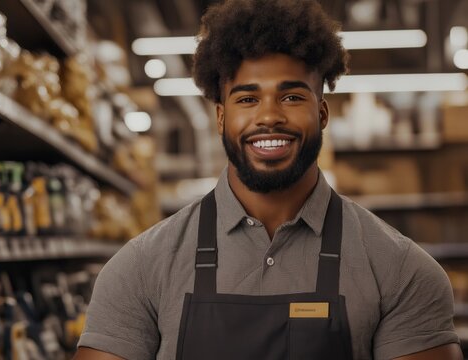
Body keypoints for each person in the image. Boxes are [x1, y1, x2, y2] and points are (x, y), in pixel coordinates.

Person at [73, 0, 463, 359]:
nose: (269, 116)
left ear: (322, 113)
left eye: (292, 97)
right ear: (221, 117)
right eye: (247, 99)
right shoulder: (140, 268)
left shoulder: (401, 270)